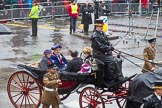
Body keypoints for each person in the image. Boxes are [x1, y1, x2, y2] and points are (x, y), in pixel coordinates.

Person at [91, 19, 124, 84]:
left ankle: (117, 76)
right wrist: (109, 48)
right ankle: (111, 79)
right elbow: (100, 47)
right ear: (97, 27)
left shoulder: (102, 33)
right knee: (113, 61)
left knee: (118, 60)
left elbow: (107, 42)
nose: (102, 28)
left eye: (102, 26)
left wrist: (110, 45)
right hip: (99, 55)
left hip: (105, 53)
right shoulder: (95, 36)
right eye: (101, 27)